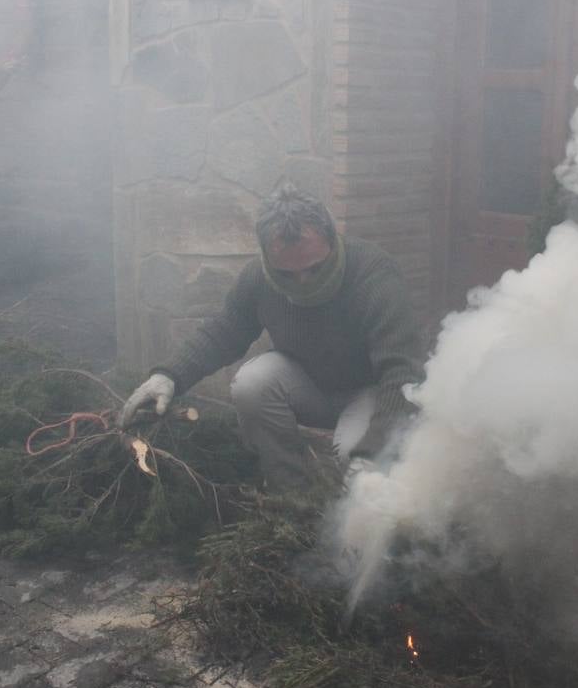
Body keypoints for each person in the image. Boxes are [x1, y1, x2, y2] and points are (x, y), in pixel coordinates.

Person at [119, 185, 425, 490]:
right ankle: (291, 495)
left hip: (370, 393)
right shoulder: (258, 278)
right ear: (267, 256)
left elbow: (402, 373)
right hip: (311, 387)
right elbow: (225, 330)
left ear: (332, 241)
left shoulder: (373, 273)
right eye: (287, 274)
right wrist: (169, 376)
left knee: (355, 458)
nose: (303, 282)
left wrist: (373, 452)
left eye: (314, 269)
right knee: (252, 382)